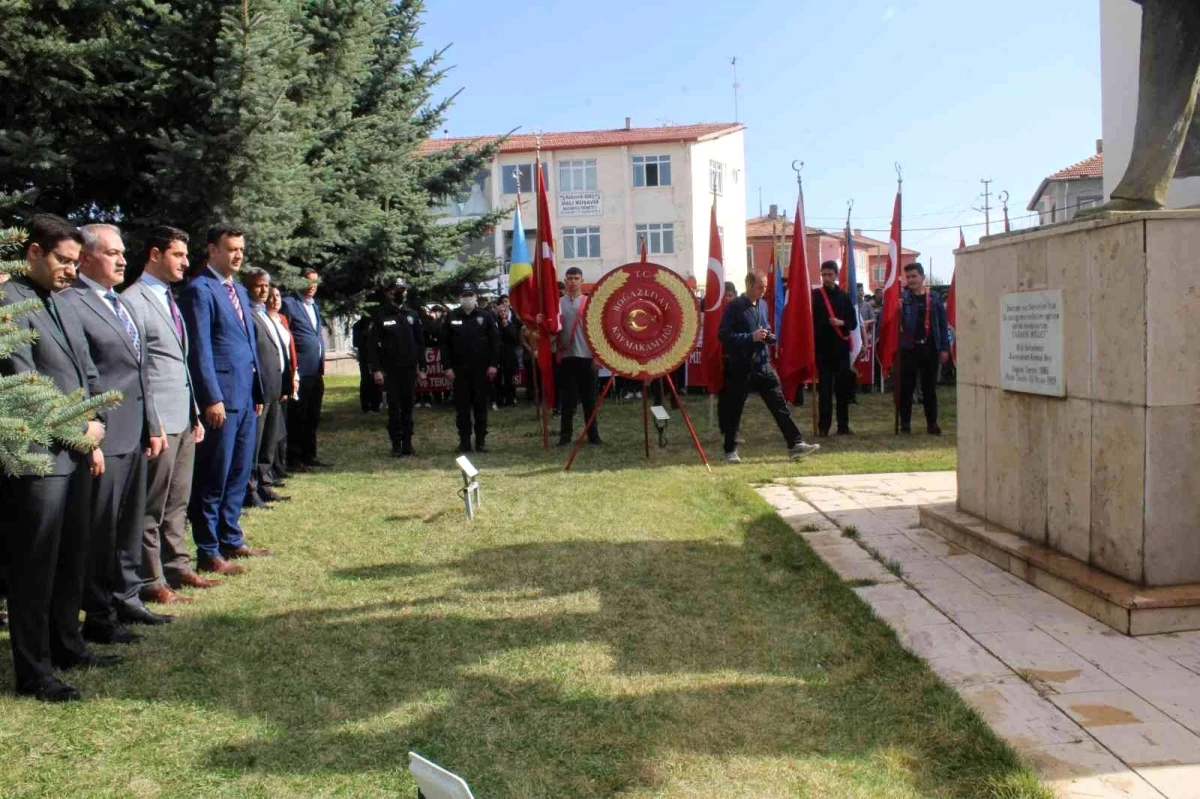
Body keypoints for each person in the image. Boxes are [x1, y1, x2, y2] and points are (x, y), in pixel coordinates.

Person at [0, 215, 110, 701]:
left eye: (74, 261)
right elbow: (24, 381)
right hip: (37, 457)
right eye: (63, 261)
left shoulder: (63, 301)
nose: (71, 270)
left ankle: (68, 644)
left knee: (71, 555)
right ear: (33, 253)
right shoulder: (9, 304)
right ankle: (33, 672)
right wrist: (77, 427)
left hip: (77, 449)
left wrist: (94, 428)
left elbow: (85, 370)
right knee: (34, 566)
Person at [66, 224, 171, 640]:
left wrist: (152, 425)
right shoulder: (73, 302)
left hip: (134, 434)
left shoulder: (117, 304)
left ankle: (128, 599)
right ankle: (99, 615)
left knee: (128, 524)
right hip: (103, 438)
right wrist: (88, 436)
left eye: (123, 252)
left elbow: (138, 369)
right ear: (86, 258)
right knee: (101, 530)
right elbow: (80, 376)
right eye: (113, 253)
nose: (123, 260)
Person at [121, 226, 218, 604]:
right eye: (178, 255)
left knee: (178, 499)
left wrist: (194, 410)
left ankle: (177, 566)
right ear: (155, 254)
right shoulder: (134, 300)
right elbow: (139, 369)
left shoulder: (169, 299)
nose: (186, 262)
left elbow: (178, 362)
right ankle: (151, 579)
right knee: (153, 504)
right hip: (158, 421)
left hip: (183, 416)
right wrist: (152, 422)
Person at [179, 225, 268, 578]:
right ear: (212, 250)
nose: (238, 255)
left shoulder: (239, 292)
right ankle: (208, 548)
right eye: (231, 249)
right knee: (214, 475)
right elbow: (199, 348)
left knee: (238, 471)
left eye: (241, 250)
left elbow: (246, 343)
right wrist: (211, 397)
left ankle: (231, 537)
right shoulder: (200, 290)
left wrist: (257, 391)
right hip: (222, 399)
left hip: (246, 397)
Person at [718, 271, 820, 464]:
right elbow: (723, 336)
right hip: (740, 367)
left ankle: (795, 444)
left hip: (763, 365)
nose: (763, 291)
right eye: (760, 287)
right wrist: (750, 338)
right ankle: (730, 451)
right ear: (748, 284)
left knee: (779, 405)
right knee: (735, 409)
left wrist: (769, 337)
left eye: (765, 287)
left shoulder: (763, 305)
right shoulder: (734, 307)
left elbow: (765, 328)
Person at [243, 268, 290, 507]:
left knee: (270, 439)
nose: (263, 290)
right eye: (258, 286)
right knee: (257, 441)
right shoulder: (248, 314)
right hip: (259, 389)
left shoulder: (267, 315)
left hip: (275, 386)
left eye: (266, 286)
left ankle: (265, 483)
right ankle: (250, 489)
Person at [368, 277, 425, 457]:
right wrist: (376, 369)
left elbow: (420, 343)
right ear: (389, 293)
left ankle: (408, 443)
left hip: (409, 370)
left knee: (408, 407)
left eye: (403, 290)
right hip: (390, 371)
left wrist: (422, 368)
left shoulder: (412, 315)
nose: (401, 294)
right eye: (397, 290)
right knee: (394, 408)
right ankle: (396, 444)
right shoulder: (380, 315)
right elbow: (372, 345)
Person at [281, 267, 331, 470]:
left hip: (316, 370)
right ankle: (295, 459)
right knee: (298, 417)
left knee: (312, 415)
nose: (312, 286)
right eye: (308, 282)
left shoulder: (314, 306)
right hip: (300, 372)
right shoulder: (289, 303)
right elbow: (286, 337)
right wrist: (292, 370)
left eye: (315, 282)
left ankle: (310, 454)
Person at [441, 284, 498, 453]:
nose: (467, 298)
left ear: (475, 296)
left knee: (480, 407)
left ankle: (480, 442)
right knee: (462, 408)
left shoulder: (486, 316)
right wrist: (447, 367)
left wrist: (493, 364)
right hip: (459, 371)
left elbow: (495, 342)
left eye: (470, 294)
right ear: (460, 297)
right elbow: (444, 344)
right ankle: (464, 441)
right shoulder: (451, 316)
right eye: (464, 295)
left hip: (481, 370)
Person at [896, 262, 950, 435]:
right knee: (906, 388)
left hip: (929, 347)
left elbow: (942, 325)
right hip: (909, 348)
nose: (911, 280)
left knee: (929, 389)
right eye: (908, 277)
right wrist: (896, 311)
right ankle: (905, 424)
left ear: (922, 277)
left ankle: (932, 424)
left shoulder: (934, 299)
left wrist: (944, 348)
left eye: (914, 276)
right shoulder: (902, 299)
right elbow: (893, 324)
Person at [555, 266, 601, 446]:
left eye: (576, 278)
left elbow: (597, 332)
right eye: (570, 278)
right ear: (565, 281)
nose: (573, 281)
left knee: (590, 401)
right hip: (566, 358)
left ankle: (593, 436)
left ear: (582, 281)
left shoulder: (590, 303)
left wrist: (597, 356)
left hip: (587, 358)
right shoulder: (557, 304)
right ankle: (565, 437)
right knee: (567, 401)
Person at [811, 260, 858, 436]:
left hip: (841, 351)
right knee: (824, 391)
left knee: (842, 391)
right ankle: (824, 426)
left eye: (830, 274)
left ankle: (843, 426)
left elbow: (853, 323)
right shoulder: (815, 296)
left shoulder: (844, 297)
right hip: (823, 351)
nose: (827, 278)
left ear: (836, 275)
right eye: (824, 274)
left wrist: (841, 322)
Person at [264, 286, 297, 484]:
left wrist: (294, 374)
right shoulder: (263, 319)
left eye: (277, 296)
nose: (275, 299)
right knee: (271, 428)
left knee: (281, 424)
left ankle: (280, 465)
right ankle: (270, 468)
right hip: (271, 380)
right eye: (271, 296)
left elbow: (289, 349)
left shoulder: (282, 319)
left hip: (285, 377)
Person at [351, 314, 382, 413]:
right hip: (364, 356)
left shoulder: (376, 323)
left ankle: (376, 404)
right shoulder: (358, 326)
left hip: (375, 356)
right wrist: (365, 337)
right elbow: (356, 343)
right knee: (365, 380)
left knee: (376, 380)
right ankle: (366, 405)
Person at [495, 298, 521, 408]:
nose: (502, 313)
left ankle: (511, 398)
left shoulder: (511, 324)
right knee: (499, 379)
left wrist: (507, 326)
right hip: (499, 355)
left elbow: (515, 339)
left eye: (504, 311)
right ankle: (499, 399)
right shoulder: (495, 324)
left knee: (510, 377)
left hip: (510, 354)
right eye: (500, 311)